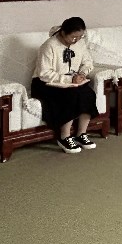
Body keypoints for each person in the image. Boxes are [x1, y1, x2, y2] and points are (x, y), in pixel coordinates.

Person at [31, 17, 98, 154]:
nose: (76, 40)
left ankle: (81, 134)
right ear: (63, 33)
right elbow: (44, 73)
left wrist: (82, 73)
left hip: (71, 82)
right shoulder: (49, 46)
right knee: (70, 95)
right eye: (73, 37)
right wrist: (69, 80)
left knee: (88, 93)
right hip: (45, 83)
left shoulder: (80, 43)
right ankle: (64, 137)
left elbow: (88, 62)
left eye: (80, 36)